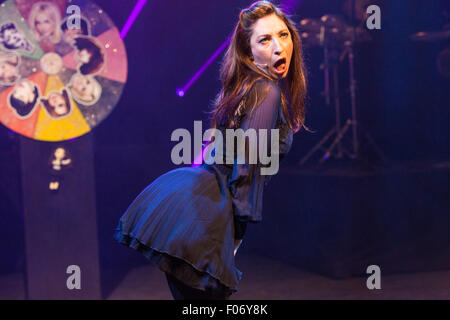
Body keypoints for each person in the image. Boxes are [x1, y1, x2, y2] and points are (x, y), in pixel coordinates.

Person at [114, 1, 307, 300]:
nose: (279, 47)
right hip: (208, 215)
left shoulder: (246, 87)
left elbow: (216, 150)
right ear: (249, 51)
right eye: (265, 39)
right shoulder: (266, 91)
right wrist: (235, 235)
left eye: (283, 35)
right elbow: (248, 164)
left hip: (191, 203)